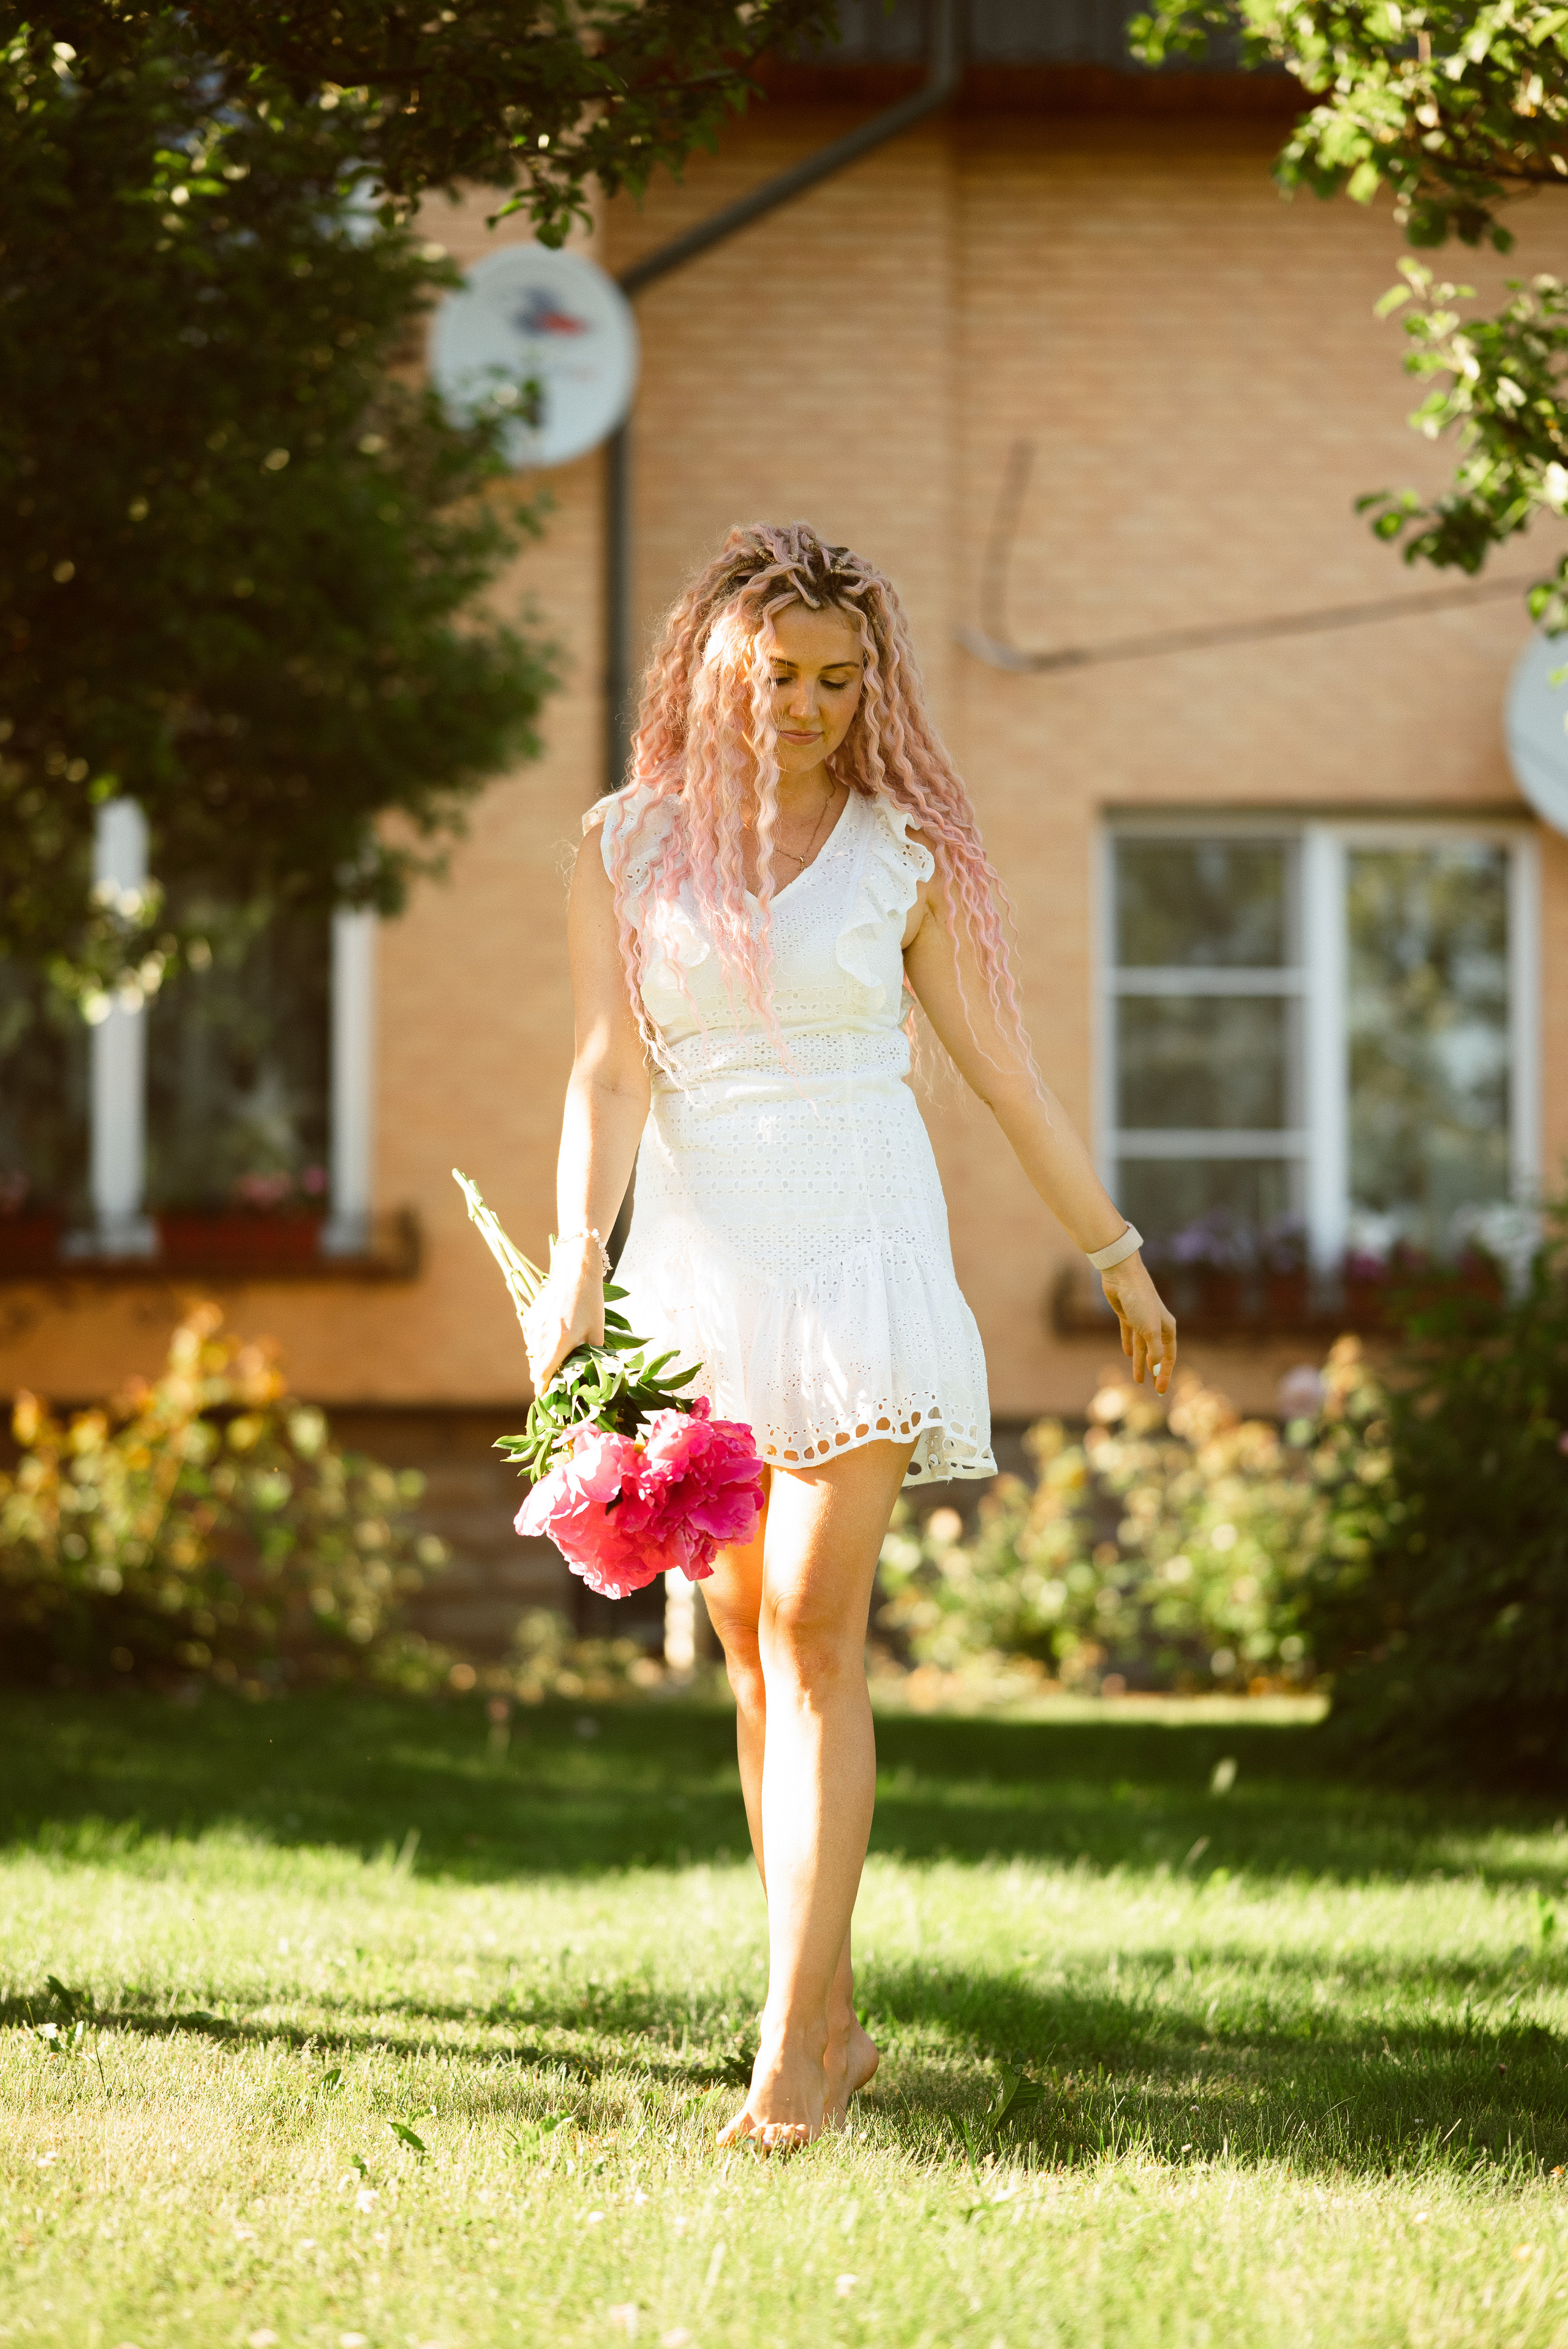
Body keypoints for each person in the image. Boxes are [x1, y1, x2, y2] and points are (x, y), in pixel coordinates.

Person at [522, 522, 1176, 2150]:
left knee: (815, 1627)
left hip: (862, 1256)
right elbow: (610, 1074)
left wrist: (1117, 1252)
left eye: (836, 678)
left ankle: (779, 2061)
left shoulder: (903, 858)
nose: (806, 703)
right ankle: (833, 2014)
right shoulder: (624, 846)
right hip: (696, 1274)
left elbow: (1007, 1073)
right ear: (715, 670)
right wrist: (571, 1265)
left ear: (866, 686)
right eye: (778, 674)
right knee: (752, 1658)